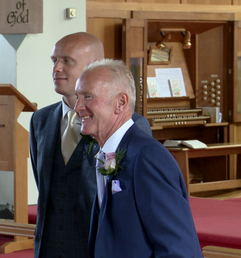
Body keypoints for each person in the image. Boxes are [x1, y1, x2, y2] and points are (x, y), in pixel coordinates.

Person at [29, 32, 152, 258]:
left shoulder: (127, 124)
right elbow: (44, 189)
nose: (56, 68)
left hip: (97, 247)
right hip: (48, 248)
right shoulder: (41, 120)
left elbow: (131, 198)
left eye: (66, 61)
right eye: (54, 60)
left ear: (95, 66)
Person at [74, 59, 202, 258]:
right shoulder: (108, 153)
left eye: (88, 97)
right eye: (77, 97)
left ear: (121, 103)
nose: (78, 107)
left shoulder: (147, 157)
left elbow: (178, 247)